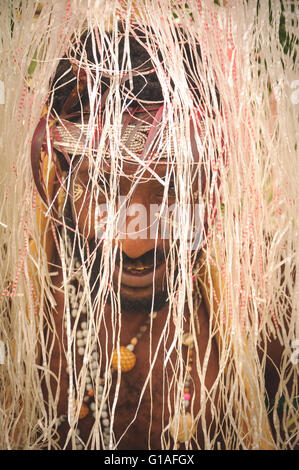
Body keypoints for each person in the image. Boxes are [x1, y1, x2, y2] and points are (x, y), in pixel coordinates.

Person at [1, 1, 298, 451]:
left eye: (171, 185)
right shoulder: (16, 319)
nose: (134, 242)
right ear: (57, 177)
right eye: (102, 184)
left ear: (217, 179)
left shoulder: (270, 318)